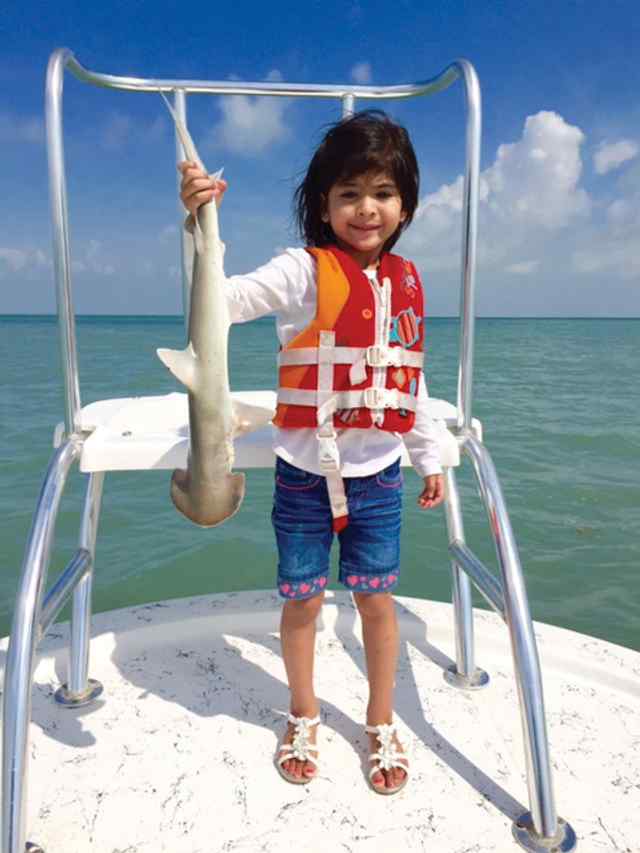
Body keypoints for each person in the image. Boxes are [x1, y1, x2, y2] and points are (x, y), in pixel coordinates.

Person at [179, 110, 444, 795]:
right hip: (303, 476)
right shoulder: (302, 270)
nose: (367, 209)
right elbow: (223, 301)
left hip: (379, 478)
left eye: (382, 193)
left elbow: (406, 380)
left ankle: (380, 720)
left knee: (376, 603)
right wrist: (200, 224)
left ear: (405, 204)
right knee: (301, 603)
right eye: (349, 193)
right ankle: (303, 713)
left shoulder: (407, 283)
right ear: (322, 205)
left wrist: (430, 456)